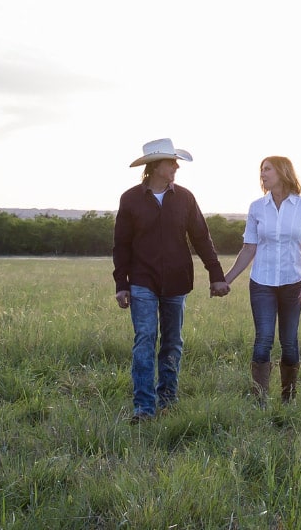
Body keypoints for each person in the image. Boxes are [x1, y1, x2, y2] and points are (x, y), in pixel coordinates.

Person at [112, 138, 230, 423]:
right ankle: (144, 408)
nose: (176, 166)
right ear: (155, 166)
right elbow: (121, 244)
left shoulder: (186, 198)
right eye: (171, 161)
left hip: (177, 280)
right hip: (141, 280)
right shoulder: (130, 199)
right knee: (144, 340)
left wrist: (216, 275)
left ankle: (167, 399)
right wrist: (121, 284)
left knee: (172, 342)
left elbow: (201, 237)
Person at [222, 156, 301, 404]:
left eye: (267, 169)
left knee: (289, 340)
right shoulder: (257, 207)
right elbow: (248, 248)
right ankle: (260, 401)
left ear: (283, 172)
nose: (262, 174)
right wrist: (227, 279)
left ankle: (288, 399)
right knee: (263, 337)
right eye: (261, 170)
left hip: (294, 281)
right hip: (262, 282)